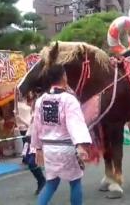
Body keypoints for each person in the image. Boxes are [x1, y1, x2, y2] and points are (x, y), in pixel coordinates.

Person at [31, 63, 92, 205]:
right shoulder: (68, 99)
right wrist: (80, 145)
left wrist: (37, 148)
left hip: (49, 149)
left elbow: (36, 126)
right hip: (66, 148)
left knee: (51, 183)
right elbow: (75, 123)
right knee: (75, 181)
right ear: (64, 77)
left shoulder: (41, 100)